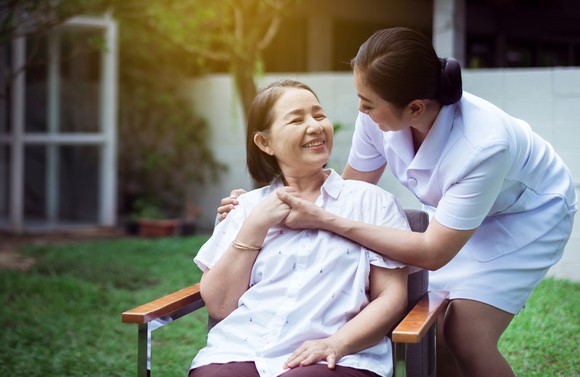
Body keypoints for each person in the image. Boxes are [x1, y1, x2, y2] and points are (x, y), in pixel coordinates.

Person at [218, 28, 577, 377]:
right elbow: (347, 194)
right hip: (460, 214)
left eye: (368, 103)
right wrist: (258, 205)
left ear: (415, 108)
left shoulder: (483, 145)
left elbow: (432, 252)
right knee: (434, 329)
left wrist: (324, 219)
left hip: (526, 215)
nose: (360, 109)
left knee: (466, 336)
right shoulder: (379, 112)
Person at [189, 79, 411, 377]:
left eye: (319, 115)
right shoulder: (246, 208)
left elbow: (392, 296)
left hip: (338, 359)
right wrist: (254, 225)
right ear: (265, 143)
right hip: (240, 351)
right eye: (296, 119)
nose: (315, 126)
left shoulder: (373, 203)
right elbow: (219, 306)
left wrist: (336, 343)